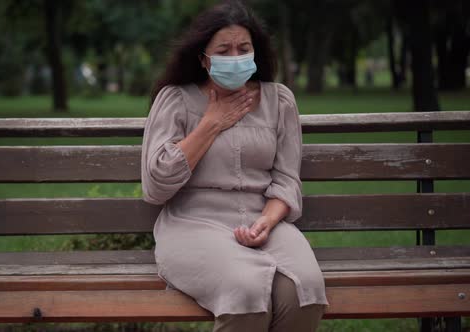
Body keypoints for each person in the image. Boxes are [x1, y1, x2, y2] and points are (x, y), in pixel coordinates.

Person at [141, 1, 329, 331]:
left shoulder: (279, 101)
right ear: (203, 58)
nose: (235, 57)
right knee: (244, 295)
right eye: (224, 50)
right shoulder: (176, 99)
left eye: (243, 48)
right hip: (193, 224)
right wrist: (210, 124)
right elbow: (156, 184)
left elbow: (286, 180)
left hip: (263, 222)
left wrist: (267, 223)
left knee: (305, 293)